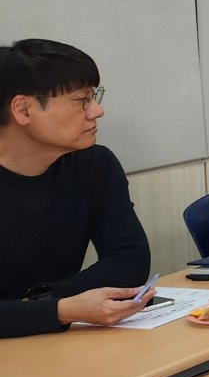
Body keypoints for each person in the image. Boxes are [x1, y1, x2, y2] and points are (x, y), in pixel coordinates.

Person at [0, 39, 153, 337]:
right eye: (81, 100)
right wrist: (60, 309)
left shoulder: (93, 164)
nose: (97, 111)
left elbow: (129, 260)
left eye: (93, 97)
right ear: (23, 110)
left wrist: (44, 302)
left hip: (52, 339)